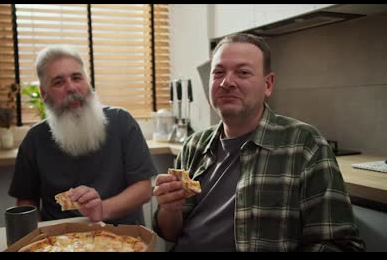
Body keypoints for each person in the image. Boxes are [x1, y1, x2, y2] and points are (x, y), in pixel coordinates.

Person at [152, 33, 365, 252]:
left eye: (243, 72)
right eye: (218, 73)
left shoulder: (305, 145)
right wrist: (169, 209)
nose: (227, 82)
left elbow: (340, 245)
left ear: (268, 84)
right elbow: (170, 233)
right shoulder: (194, 145)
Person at [9, 45, 157, 226]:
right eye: (58, 82)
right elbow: (26, 202)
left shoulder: (121, 121)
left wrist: (101, 209)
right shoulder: (34, 139)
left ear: (88, 81)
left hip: (121, 235)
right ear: (43, 93)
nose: (71, 87)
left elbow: (143, 189)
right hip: (59, 240)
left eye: (77, 77)